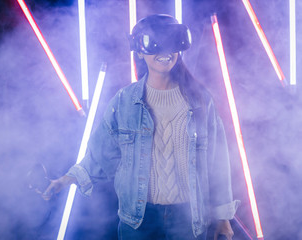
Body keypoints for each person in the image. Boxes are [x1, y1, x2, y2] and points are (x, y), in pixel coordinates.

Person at [43, 14, 239, 240]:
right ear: (139, 50)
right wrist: (64, 181)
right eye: (154, 43)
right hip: (139, 221)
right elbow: (98, 154)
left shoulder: (201, 101)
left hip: (188, 220)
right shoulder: (124, 102)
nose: (164, 52)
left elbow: (218, 163)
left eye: (171, 42)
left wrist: (223, 217)